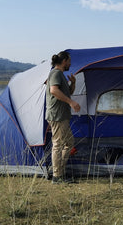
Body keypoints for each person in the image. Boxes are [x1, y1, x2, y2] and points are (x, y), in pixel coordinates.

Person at [45, 51, 81, 184]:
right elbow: (53, 90)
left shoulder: (61, 75)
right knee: (58, 144)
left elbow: (66, 93)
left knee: (69, 143)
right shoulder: (55, 73)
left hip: (62, 115)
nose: (70, 64)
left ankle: (60, 170)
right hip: (57, 116)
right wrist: (71, 102)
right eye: (69, 61)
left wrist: (73, 84)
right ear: (64, 60)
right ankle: (57, 176)